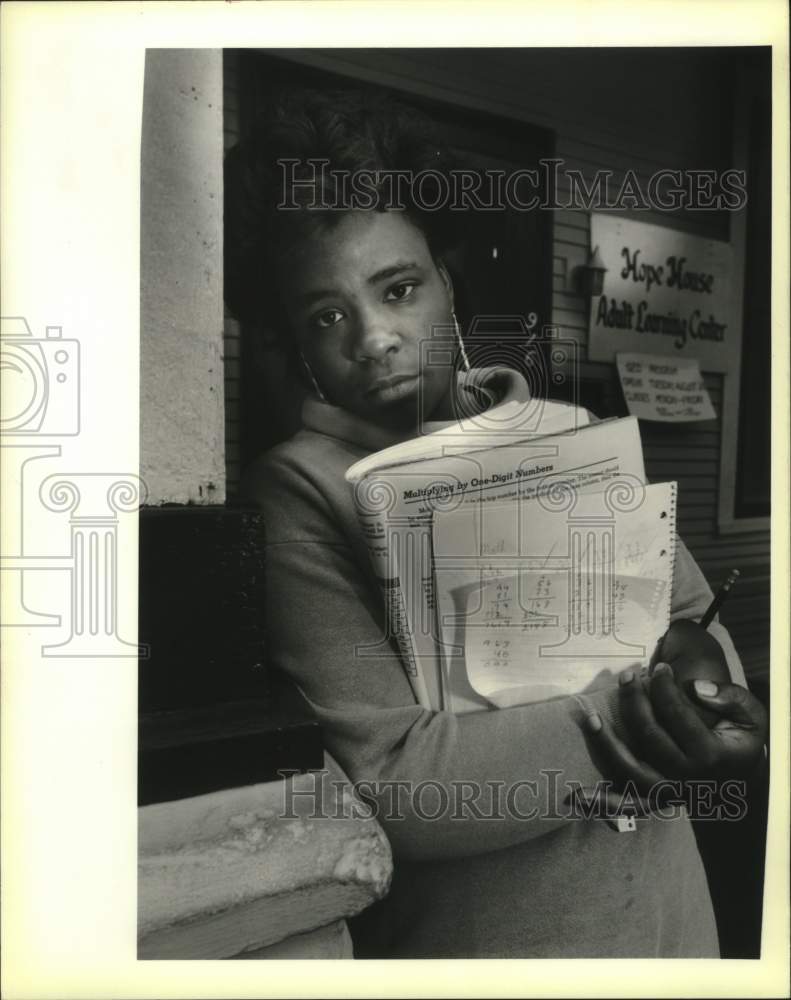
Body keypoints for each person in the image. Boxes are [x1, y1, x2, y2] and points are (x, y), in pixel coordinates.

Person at [224, 89, 767, 958]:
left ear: (448, 281)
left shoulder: (574, 440)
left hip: (667, 928)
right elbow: (399, 785)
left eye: (397, 289)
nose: (374, 338)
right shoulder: (297, 494)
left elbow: (704, 631)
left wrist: (705, 677)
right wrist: (646, 713)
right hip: (497, 944)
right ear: (297, 347)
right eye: (327, 317)